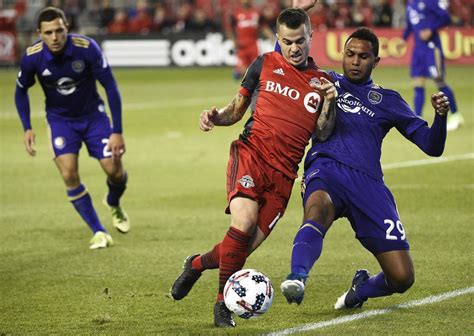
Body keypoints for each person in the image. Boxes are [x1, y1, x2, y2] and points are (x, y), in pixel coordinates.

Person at [170, 8, 337, 328]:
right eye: (287, 42)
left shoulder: (322, 82)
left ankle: (195, 264)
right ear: (278, 40)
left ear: (311, 37)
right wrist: (215, 117)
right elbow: (236, 109)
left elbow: (324, 133)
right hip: (251, 156)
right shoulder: (264, 64)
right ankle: (222, 305)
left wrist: (329, 102)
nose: (294, 48)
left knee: (241, 247)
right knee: (243, 222)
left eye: (300, 41)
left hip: (284, 176)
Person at [280, 27, 449, 309]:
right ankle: (297, 276)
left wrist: (440, 117)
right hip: (327, 168)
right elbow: (285, 58)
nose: (355, 61)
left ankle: (360, 290)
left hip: (368, 184)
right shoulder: (324, 81)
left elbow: (432, 147)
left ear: (376, 61)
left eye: (363, 56)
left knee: (402, 277)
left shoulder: (389, 100)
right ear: (342, 55)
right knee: (317, 209)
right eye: (350, 54)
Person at [14, 7, 130, 249]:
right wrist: (27, 127)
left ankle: (113, 201)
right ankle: (99, 230)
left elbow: (111, 87)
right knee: (68, 173)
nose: (55, 37)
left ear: (67, 28)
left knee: (115, 172)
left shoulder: (86, 49)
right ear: (39, 33)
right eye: (48, 33)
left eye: (59, 31)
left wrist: (117, 130)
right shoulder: (32, 57)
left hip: (94, 118)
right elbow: (20, 90)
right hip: (60, 121)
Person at [403, 0, 463, 131]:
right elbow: (409, 25)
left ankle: (456, 115)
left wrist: (431, 29)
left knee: (439, 81)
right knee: (418, 83)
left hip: (431, 48)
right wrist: (403, 39)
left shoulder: (430, 1)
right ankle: (417, 118)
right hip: (418, 50)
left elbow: (446, 17)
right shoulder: (410, 4)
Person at [226, 0, 275, 79]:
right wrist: (233, 40)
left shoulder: (257, 13)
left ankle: (242, 73)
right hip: (241, 46)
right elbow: (229, 29)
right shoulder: (236, 13)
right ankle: (238, 71)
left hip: (253, 45)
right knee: (244, 71)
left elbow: (263, 27)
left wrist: (271, 37)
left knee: (256, 70)